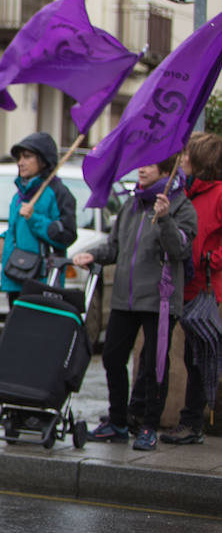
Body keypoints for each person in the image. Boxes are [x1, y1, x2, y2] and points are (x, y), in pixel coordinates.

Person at [75, 154, 198, 451]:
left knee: (155, 365)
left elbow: (180, 249)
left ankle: (148, 426)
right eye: (140, 164)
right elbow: (115, 246)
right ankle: (117, 421)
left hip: (160, 299)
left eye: (149, 164)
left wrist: (166, 218)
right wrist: (94, 254)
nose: (141, 168)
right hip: (124, 298)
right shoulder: (132, 204)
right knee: (112, 358)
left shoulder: (181, 206)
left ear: (165, 171)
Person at [163, 132, 222, 445]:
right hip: (180, 286)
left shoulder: (219, 194)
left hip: (206, 291)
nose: (182, 159)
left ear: (202, 161)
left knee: (197, 356)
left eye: (188, 155)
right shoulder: (183, 193)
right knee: (187, 356)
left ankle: (192, 422)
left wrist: (212, 258)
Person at [0, 132, 77, 305]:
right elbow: (16, 228)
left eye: (27, 157)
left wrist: (34, 219)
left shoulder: (58, 193)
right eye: (19, 158)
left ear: (43, 160)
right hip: (14, 277)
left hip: (41, 281)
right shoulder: (19, 194)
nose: (20, 163)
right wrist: (3, 239)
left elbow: (66, 235)